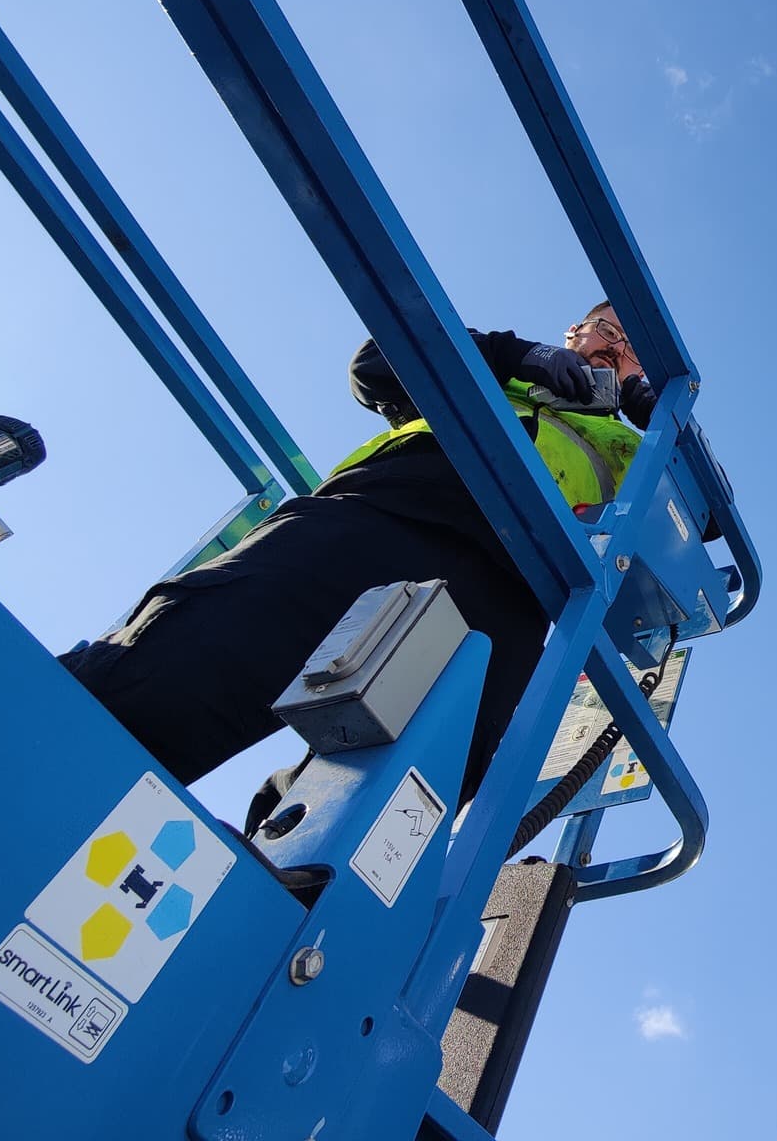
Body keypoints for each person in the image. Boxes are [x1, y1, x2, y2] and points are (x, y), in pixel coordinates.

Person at [62, 303, 658, 813]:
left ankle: (286, 895)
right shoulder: (494, 368)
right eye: (603, 328)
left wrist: (652, 415)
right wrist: (511, 354)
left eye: (630, 348)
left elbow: (699, 521)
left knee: (414, 780)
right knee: (199, 654)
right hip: (381, 513)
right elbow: (374, 365)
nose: (613, 346)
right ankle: (42, 765)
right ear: (572, 334)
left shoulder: (636, 448)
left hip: (513, 590)